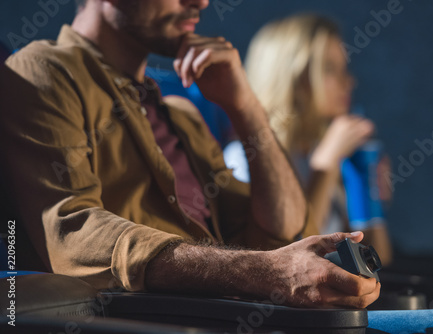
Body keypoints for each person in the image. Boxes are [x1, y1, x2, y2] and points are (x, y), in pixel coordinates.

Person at [0, 0, 380, 309]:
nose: (200, 2)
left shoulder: (181, 115)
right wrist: (262, 272)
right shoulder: (40, 72)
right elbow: (72, 234)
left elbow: (283, 233)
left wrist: (244, 107)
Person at [225, 14, 392, 263]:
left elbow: (379, 260)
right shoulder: (244, 157)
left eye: (344, 68)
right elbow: (289, 260)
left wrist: (368, 196)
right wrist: (325, 165)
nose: (348, 81)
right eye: (329, 68)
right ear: (291, 77)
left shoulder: (323, 151)